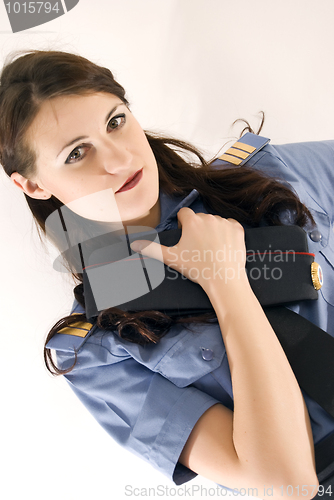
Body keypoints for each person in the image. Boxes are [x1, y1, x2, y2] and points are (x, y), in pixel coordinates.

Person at [0, 50, 333, 499]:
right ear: (34, 185)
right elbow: (285, 483)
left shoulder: (261, 177)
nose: (118, 159)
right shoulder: (97, 349)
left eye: (115, 121)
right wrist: (224, 281)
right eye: (77, 153)